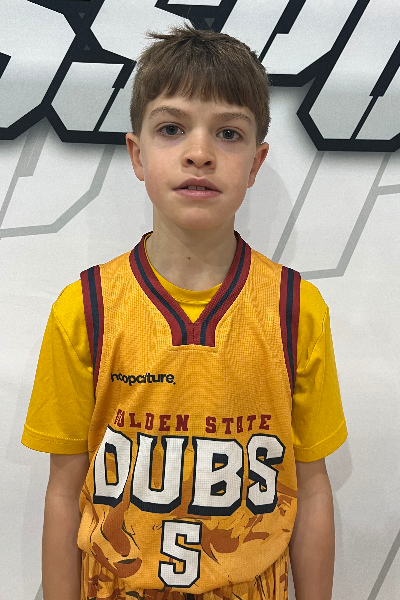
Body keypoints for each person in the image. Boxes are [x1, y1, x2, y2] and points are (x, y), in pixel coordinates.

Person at [22, 24, 347, 600]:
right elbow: (63, 491)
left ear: (256, 163)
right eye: (172, 129)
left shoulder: (296, 309)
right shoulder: (87, 309)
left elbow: (312, 487)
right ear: (137, 154)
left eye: (228, 133)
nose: (200, 152)